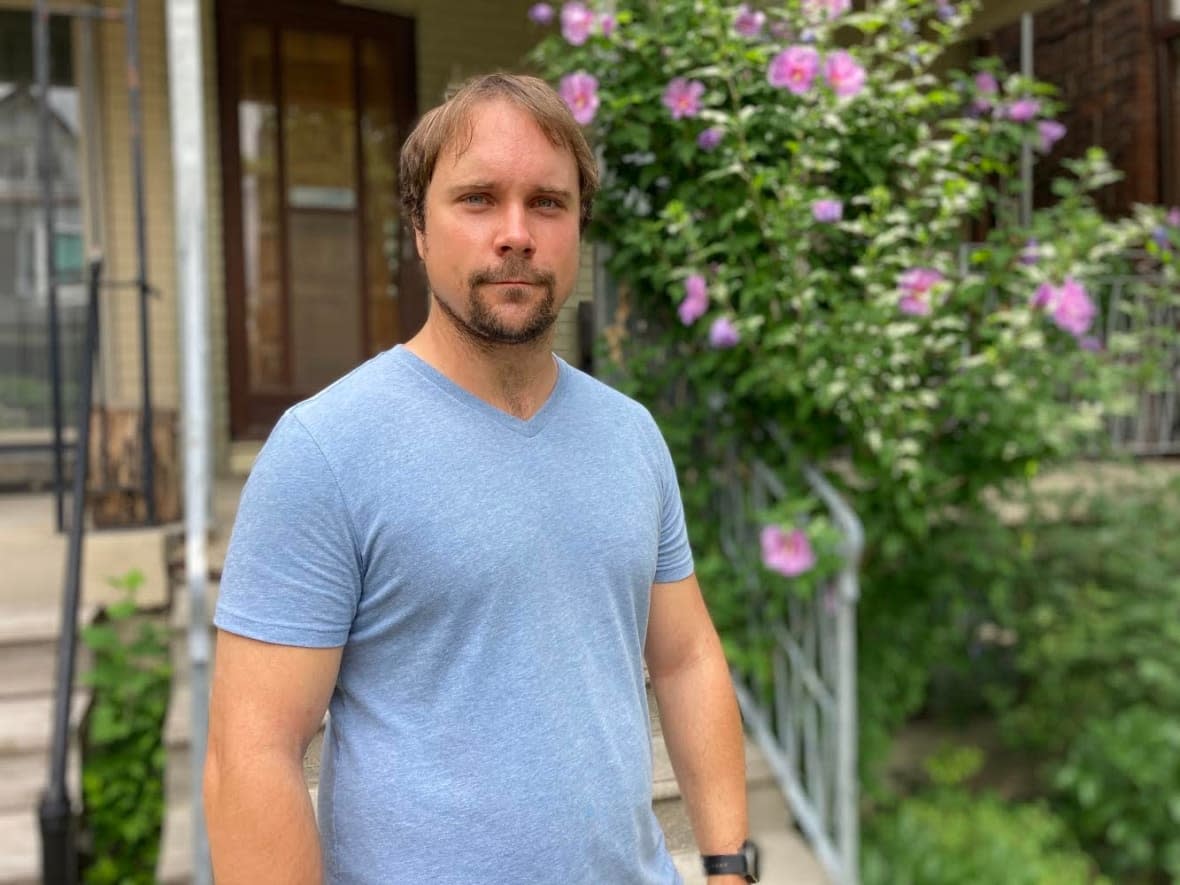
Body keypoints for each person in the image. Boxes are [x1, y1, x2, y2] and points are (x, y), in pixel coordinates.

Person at [204, 72, 753, 884]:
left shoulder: (630, 435)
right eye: (478, 199)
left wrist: (728, 864)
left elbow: (685, 657)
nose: (516, 233)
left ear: (579, 230)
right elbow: (251, 754)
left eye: (548, 203)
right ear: (418, 229)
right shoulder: (325, 448)